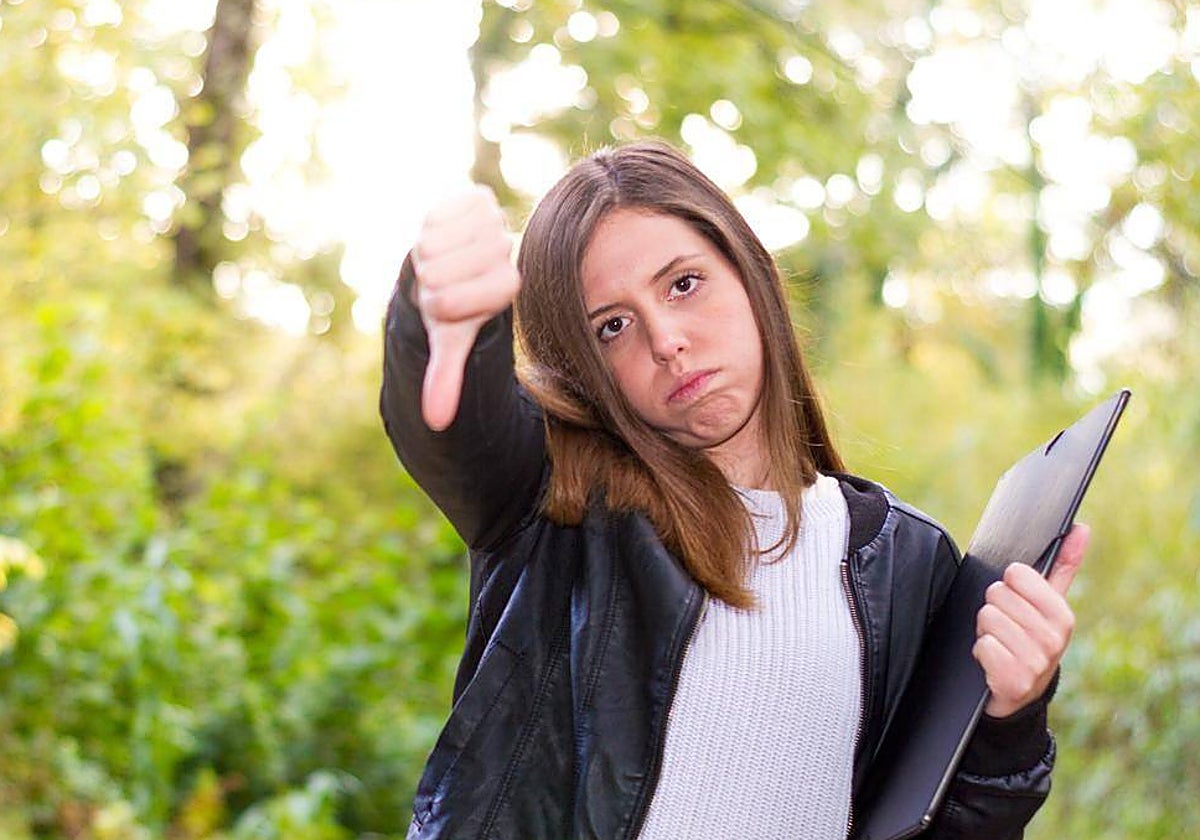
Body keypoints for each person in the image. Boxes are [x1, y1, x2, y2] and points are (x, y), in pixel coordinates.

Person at [380, 140, 1086, 840]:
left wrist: (1009, 720)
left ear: (750, 273)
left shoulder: (908, 561)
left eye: (683, 283)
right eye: (613, 326)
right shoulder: (553, 502)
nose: (666, 340)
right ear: (582, 367)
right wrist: (442, 318)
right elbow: (462, 427)